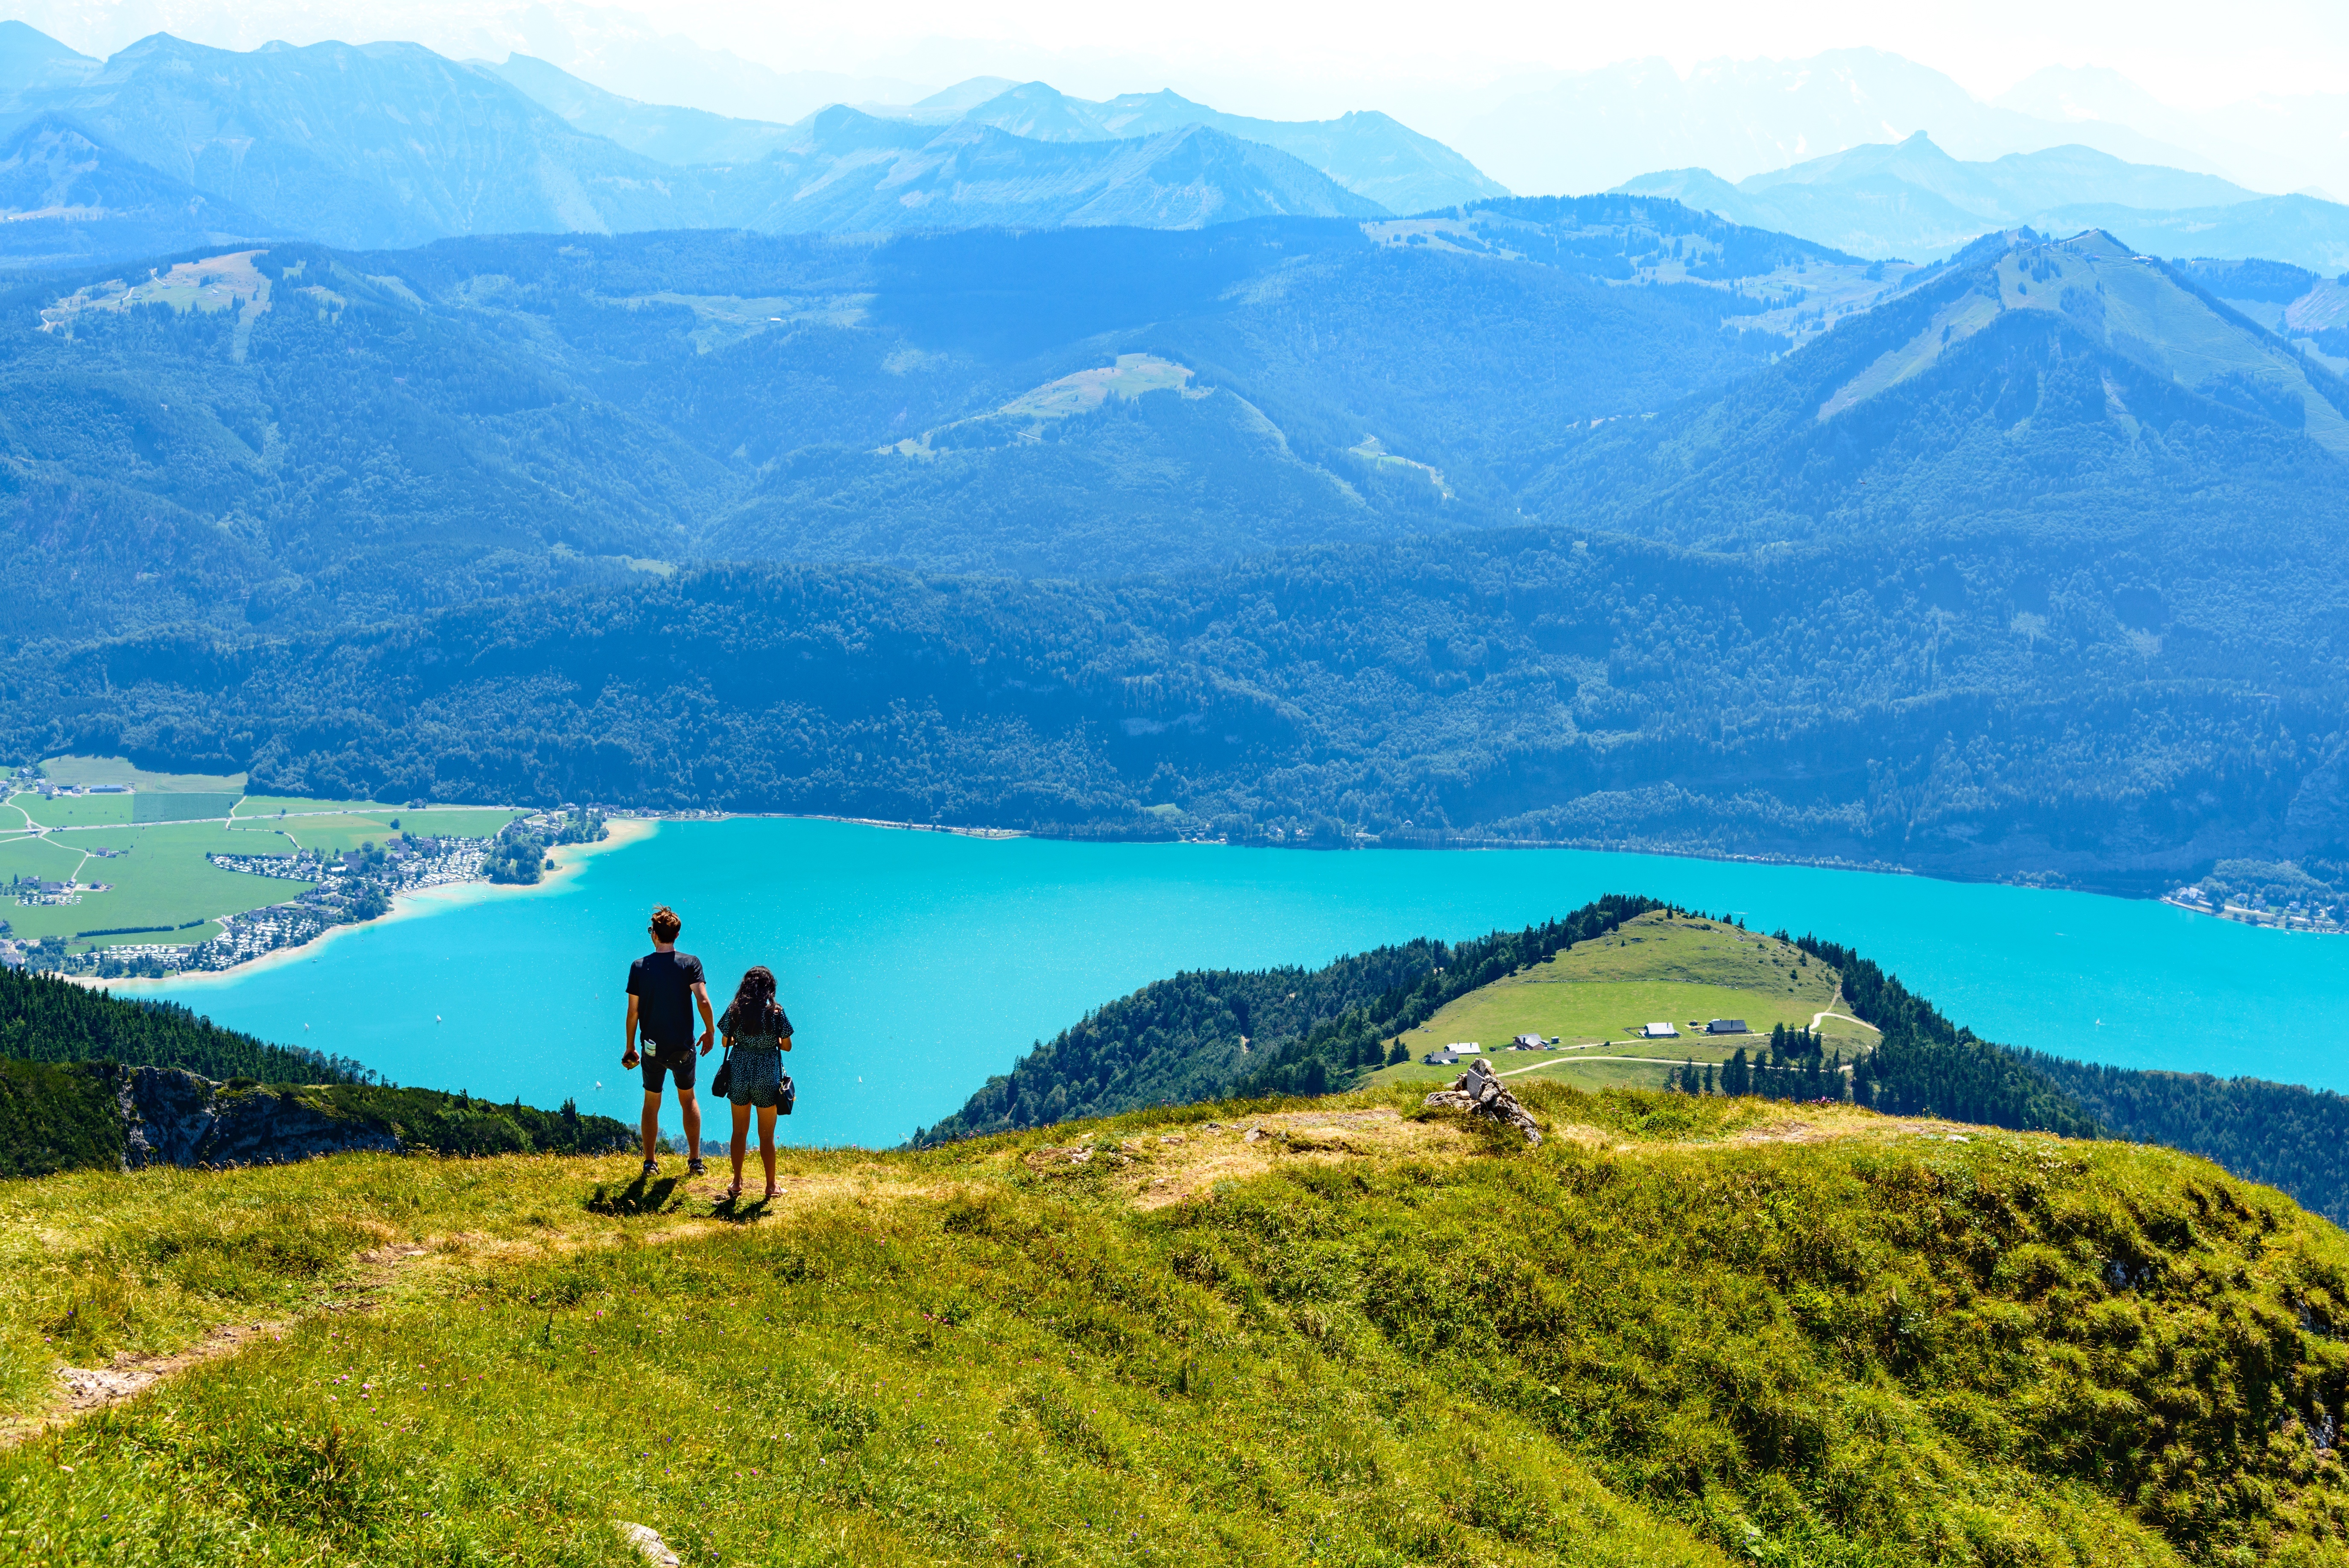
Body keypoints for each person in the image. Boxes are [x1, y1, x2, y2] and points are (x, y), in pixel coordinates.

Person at [621, 905, 715, 1179]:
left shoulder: (640, 967)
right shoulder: (690, 963)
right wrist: (710, 1032)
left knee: (652, 1102)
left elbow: (633, 1012)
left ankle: (650, 1163)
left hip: (651, 1047)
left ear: (655, 935)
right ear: (676, 934)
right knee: (688, 1099)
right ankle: (695, 1160)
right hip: (683, 1047)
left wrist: (630, 1047)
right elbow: (704, 1001)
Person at [716, 965, 793, 1200]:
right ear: (769, 988)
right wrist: (770, 1040)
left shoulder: (735, 1010)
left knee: (739, 1131)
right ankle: (771, 1186)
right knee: (767, 1135)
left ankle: (737, 1183)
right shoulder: (776, 1012)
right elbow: (787, 1045)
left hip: (739, 1072)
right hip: (766, 1074)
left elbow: (725, 1042)